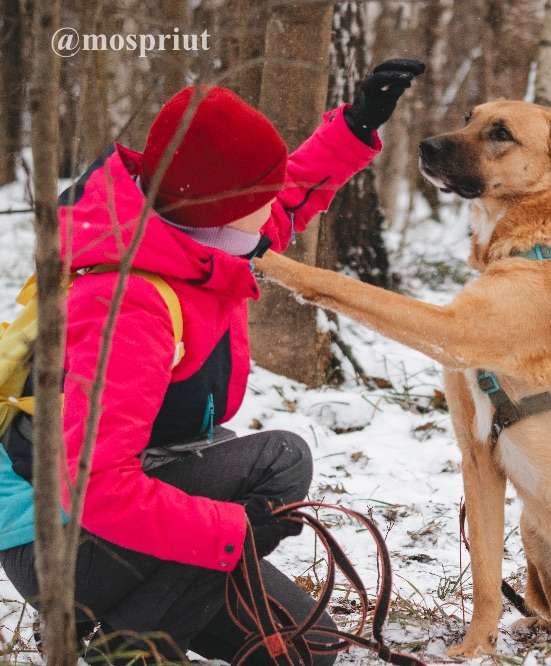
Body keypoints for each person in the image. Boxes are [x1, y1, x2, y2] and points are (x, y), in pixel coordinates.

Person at [0, 59, 425, 664]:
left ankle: (138, 618)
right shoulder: (127, 303)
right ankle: (121, 647)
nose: (274, 204)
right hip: (61, 542)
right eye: (261, 192)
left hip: (132, 508)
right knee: (280, 461)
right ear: (224, 204)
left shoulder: (190, 231)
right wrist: (231, 531)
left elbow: (286, 200)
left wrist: (356, 125)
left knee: (311, 648)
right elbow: (94, 486)